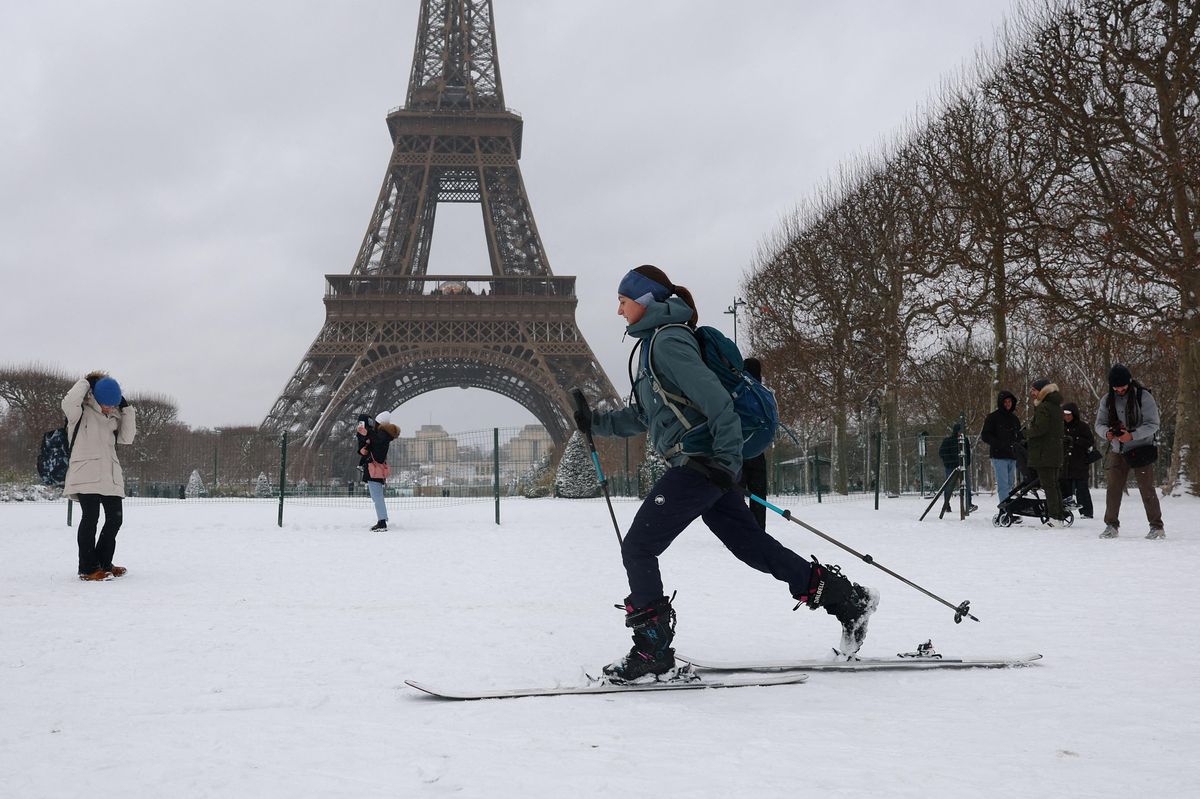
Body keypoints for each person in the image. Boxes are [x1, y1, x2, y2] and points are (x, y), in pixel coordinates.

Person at [575, 265, 878, 682]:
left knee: (639, 546)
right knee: (752, 546)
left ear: (645, 301)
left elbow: (717, 402)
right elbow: (645, 415)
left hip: (701, 465)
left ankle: (652, 651)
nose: (618, 310)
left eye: (623, 301)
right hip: (705, 466)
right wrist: (596, 422)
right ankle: (848, 599)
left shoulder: (668, 342)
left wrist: (724, 463)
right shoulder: (651, 347)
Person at [62, 371, 137, 581]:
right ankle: (87, 568)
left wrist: (126, 407)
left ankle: (104, 563)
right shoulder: (80, 412)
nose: (109, 408)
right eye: (106, 403)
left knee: (115, 520)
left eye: (113, 404)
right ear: (95, 396)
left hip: (110, 475)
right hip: (85, 473)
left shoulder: (114, 416)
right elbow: (68, 402)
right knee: (90, 519)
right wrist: (86, 382)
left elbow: (127, 438)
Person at [1094, 364, 1164, 539]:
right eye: (1115, 387)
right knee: (1113, 488)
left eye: (1122, 386)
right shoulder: (1106, 399)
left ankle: (1156, 526)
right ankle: (1111, 525)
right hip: (1118, 450)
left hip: (1141, 450)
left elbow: (1153, 424)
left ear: (1129, 382)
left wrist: (1132, 435)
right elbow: (1099, 424)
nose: (1119, 390)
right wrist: (1107, 433)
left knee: (1147, 489)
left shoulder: (1144, 397)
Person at [1025, 378, 1065, 526]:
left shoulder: (1044, 407)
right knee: (1054, 485)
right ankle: (1059, 515)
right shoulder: (1056, 406)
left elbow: (1040, 429)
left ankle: (1055, 518)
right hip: (1055, 451)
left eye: (1034, 390)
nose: (1032, 393)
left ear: (1042, 391)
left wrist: (1025, 434)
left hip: (1044, 452)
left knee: (1049, 486)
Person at [979, 391, 1022, 509]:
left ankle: (1010, 507)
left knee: (1011, 484)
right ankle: (1005, 510)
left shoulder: (1015, 419)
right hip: (999, 456)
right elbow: (986, 435)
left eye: (1010, 401)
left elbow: (1019, 435)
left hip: (1012, 456)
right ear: (1001, 403)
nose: (1008, 404)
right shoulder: (993, 417)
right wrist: (999, 444)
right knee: (1003, 485)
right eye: (1006, 402)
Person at [358, 411, 400, 531]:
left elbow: (377, 448)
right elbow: (375, 446)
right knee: (377, 497)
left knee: (377, 497)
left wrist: (368, 433)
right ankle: (382, 519)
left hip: (374, 469)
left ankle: (382, 522)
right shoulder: (383, 436)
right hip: (377, 470)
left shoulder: (381, 436)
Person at [739, 357, 768, 530]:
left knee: (737, 493)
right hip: (758, 450)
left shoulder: (738, 390)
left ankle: (740, 529)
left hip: (739, 450)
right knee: (759, 495)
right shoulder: (763, 393)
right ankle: (758, 529)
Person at [1060, 402, 1096, 519]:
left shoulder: (1082, 427)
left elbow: (1090, 441)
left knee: (1082, 488)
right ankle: (1064, 510)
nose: (1067, 417)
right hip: (1066, 463)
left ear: (1074, 414)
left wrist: (1075, 440)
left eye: (1069, 414)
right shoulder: (1061, 427)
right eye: (1064, 414)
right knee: (1065, 487)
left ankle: (1087, 512)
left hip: (1080, 462)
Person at [937, 423, 973, 514]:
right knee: (949, 487)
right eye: (959, 431)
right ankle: (946, 504)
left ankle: (969, 504)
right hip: (951, 467)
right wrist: (950, 462)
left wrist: (967, 462)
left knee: (967, 486)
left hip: (963, 466)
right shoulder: (948, 441)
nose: (960, 433)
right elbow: (942, 453)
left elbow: (968, 453)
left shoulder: (965, 441)